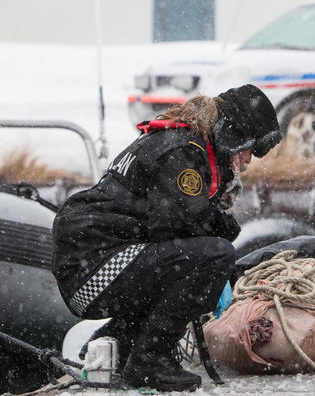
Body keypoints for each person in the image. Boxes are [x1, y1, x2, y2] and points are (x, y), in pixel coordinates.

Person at [51, 84, 282, 391]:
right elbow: (179, 226)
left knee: (191, 259)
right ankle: (149, 360)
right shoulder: (181, 151)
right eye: (249, 150)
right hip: (94, 271)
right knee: (213, 257)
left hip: (92, 264)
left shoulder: (182, 141)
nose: (248, 161)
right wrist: (223, 264)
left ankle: (123, 343)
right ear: (233, 135)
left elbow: (170, 229)